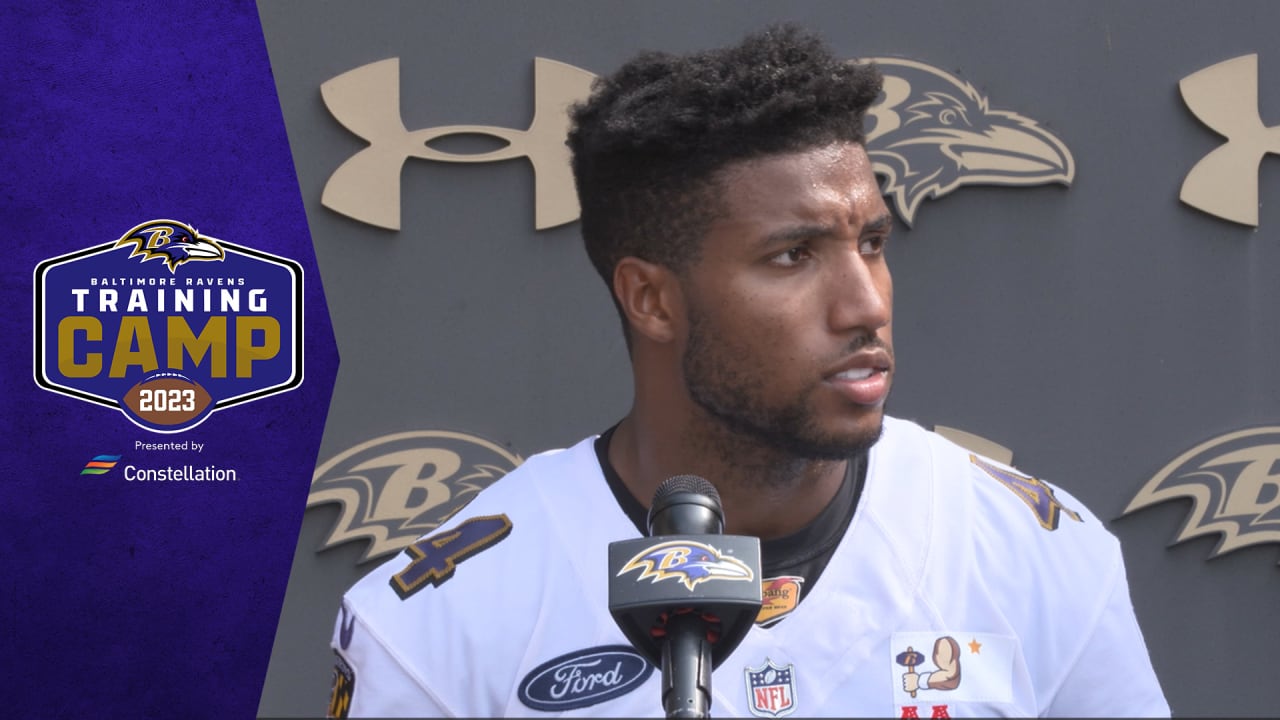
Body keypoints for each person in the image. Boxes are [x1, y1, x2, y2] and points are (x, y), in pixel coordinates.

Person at [326, 25, 1169, 718]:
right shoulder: (445, 618)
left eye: (871, 244)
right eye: (793, 256)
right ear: (651, 299)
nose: (863, 305)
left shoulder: (1032, 554)